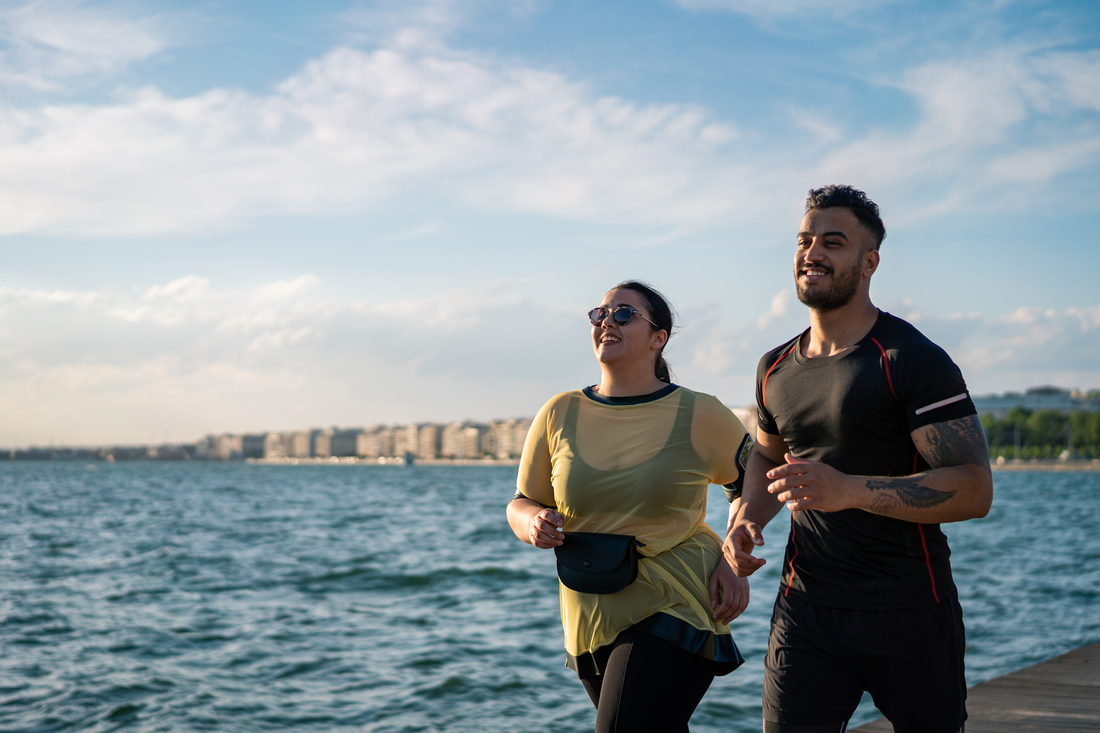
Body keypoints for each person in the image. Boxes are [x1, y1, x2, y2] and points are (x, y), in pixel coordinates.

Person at [724, 185, 993, 733]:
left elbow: (973, 488)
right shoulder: (774, 367)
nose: (812, 252)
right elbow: (766, 457)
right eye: (805, 240)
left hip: (910, 610)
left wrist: (849, 490)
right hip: (806, 611)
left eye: (834, 242)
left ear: (870, 261)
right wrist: (746, 519)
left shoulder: (911, 358)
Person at [508, 280, 754, 733]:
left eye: (623, 314)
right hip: (590, 612)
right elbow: (523, 502)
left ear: (658, 337)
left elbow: (754, 484)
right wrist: (533, 522)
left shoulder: (698, 412)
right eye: (599, 314)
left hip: (676, 600)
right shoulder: (559, 412)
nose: (607, 321)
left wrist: (732, 560)